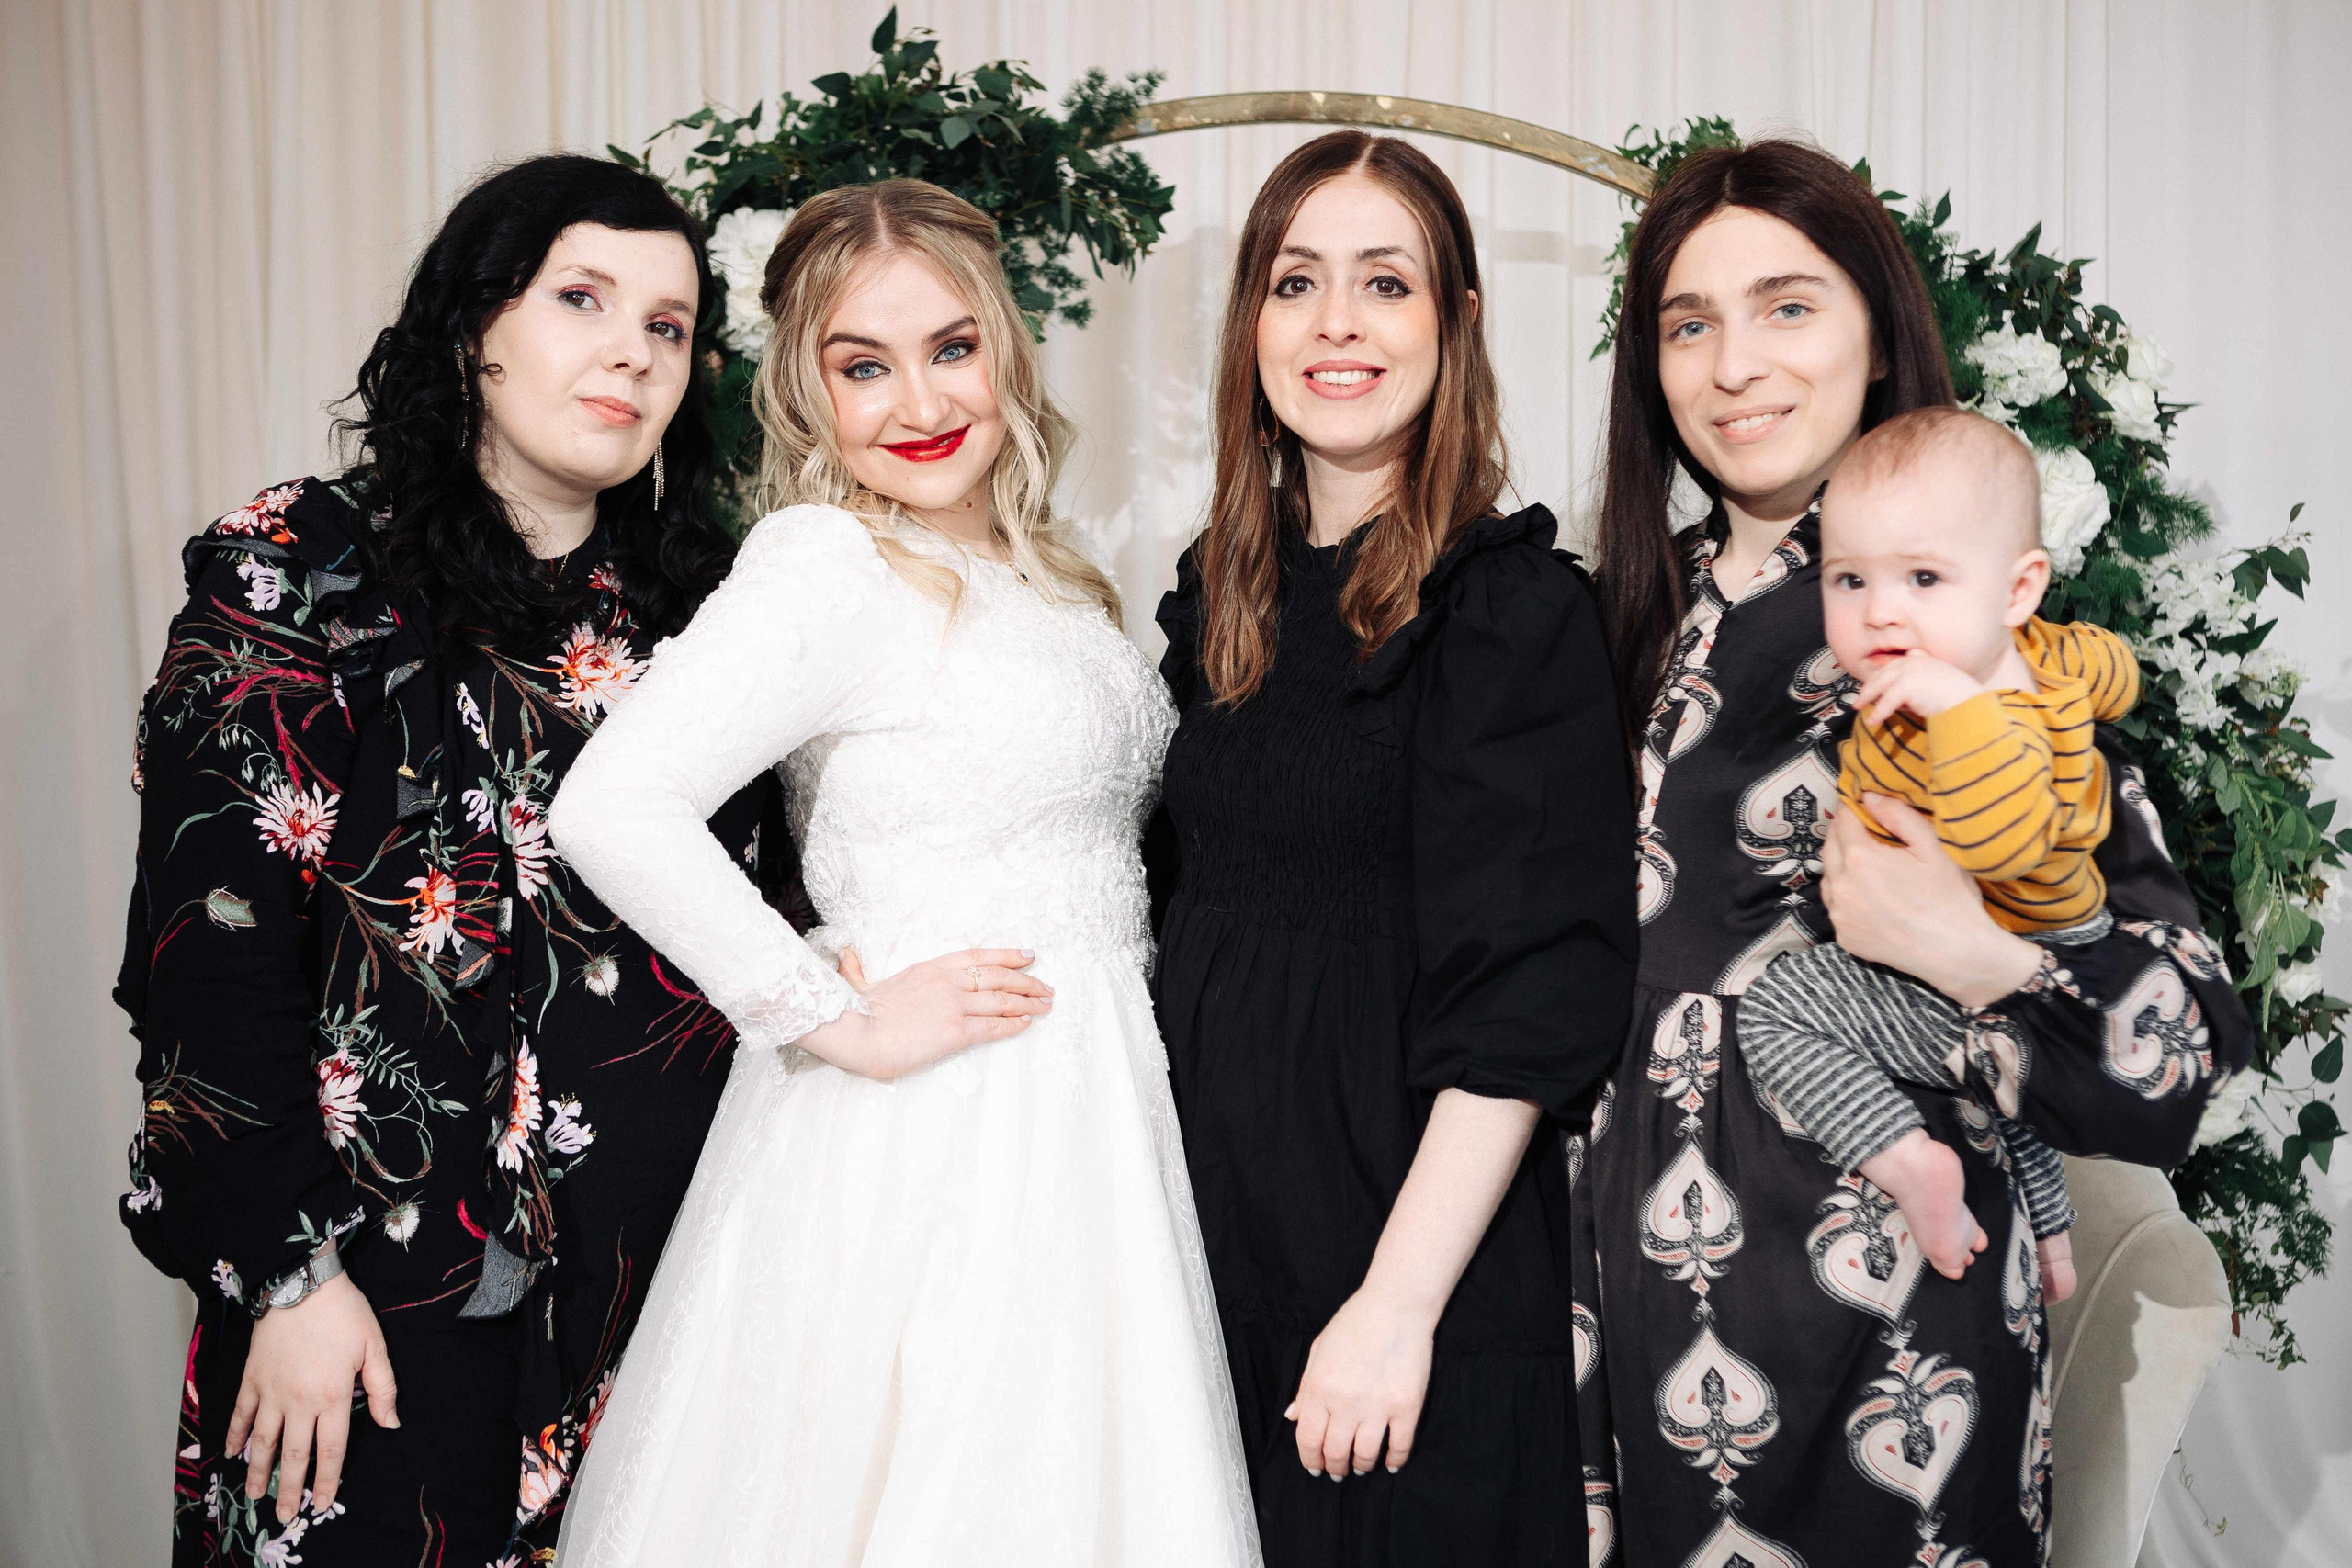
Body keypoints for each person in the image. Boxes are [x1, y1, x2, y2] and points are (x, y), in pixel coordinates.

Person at [546, 179, 1260, 1567]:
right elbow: (614, 802)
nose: (918, 399)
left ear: (1004, 347)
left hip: (1091, 1120)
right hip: (934, 1132)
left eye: (950, 347)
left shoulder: (1052, 572)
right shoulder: (831, 563)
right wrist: (828, 1010)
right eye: (860, 365)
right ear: (808, 396)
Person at [1574, 138, 2251, 1567]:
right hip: (1617, 1295)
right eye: (1687, 323)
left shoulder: (1945, 616)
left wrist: (1969, 951)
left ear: (1879, 330)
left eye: (1788, 306)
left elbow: (2176, 1048)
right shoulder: (1632, 609)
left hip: (1879, 1309)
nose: (1733, 362)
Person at [115, 154, 776, 1565]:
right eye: (582, 296)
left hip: (662, 1303)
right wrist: (291, 1279)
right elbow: (206, 951)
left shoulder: (712, 614)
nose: (630, 351)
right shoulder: (303, 565)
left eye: (668, 325)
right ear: (477, 324)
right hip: (366, 1295)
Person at [1150, 130, 1637, 1566]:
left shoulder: (1513, 613)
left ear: (1458, 324)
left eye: (1387, 283)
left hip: (1396, 1232)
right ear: (1252, 321)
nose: (1338, 325)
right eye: (1297, 281)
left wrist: (1395, 1302)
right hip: (1204, 1219)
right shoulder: (1212, 588)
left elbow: (1533, 998)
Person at [1741, 405, 2145, 1296]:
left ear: (2015, 589)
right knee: (2015, 1089)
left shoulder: (1972, 715)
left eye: (1923, 577)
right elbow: (2112, 668)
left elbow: (1998, 843)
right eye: (1849, 581)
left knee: (1776, 1008)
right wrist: (2068, 667)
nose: (1880, 610)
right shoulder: (2036, 654)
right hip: (2037, 967)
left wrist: (1955, 707)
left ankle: (1909, 1161)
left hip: (1998, 967)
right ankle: (2051, 1236)